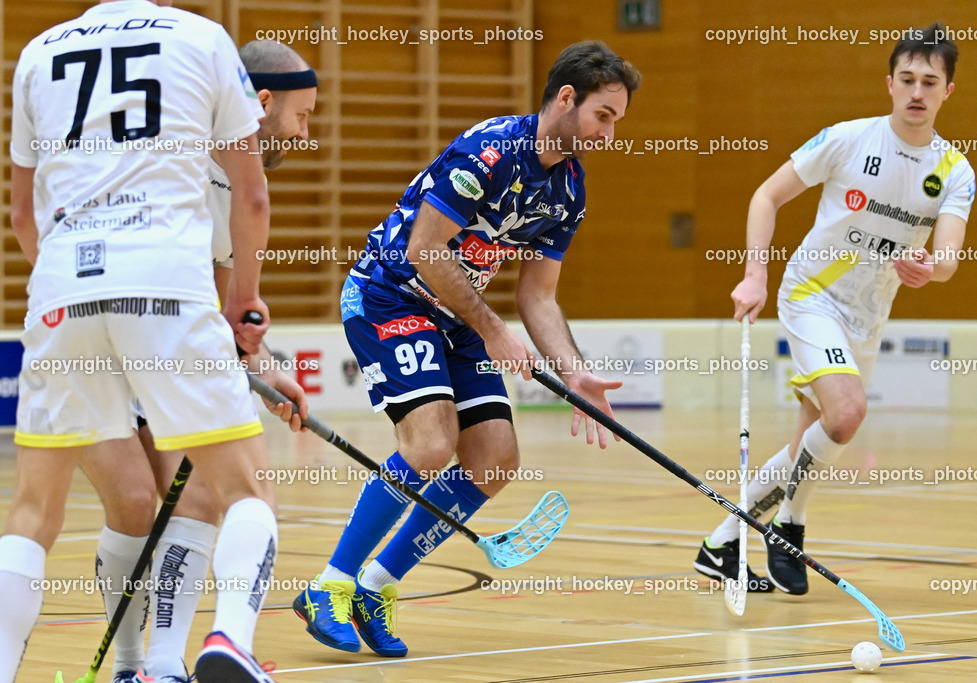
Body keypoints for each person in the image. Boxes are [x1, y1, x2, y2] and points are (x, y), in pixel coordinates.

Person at [291, 40, 641, 657]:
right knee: (429, 446)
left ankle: (376, 586)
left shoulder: (569, 191)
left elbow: (538, 296)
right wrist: (492, 329)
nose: (610, 134)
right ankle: (330, 586)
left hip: (454, 315)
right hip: (392, 294)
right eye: (603, 116)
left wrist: (576, 374)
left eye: (617, 121)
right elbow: (426, 250)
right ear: (566, 98)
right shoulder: (491, 152)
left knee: (494, 460)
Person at [0, 2, 281, 682]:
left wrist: (71, 293)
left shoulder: (38, 51)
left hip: (62, 290)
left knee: (33, 510)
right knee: (246, 486)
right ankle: (229, 642)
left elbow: (20, 214)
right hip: (166, 283)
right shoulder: (202, 37)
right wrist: (244, 299)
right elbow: (250, 198)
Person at [694, 22, 975, 595]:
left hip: (868, 316)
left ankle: (722, 543)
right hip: (811, 296)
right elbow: (765, 196)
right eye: (906, 79)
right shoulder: (847, 139)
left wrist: (931, 269)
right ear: (889, 84)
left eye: (930, 81)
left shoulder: (955, 172)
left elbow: (947, 257)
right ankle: (790, 526)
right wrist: (755, 275)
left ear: (948, 91)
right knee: (846, 415)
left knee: (812, 438)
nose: (916, 91)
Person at [77, 39, 317, 683]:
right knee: (190, 496)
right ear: (261, 103)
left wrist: (262, 370)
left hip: (104, 328)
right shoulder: (229, 172)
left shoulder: (207, 155)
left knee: (175, 498)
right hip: (112, 329)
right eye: (301, 115)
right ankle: (155, 660)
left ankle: (156, 666)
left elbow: (217, 305)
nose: (304, 132)